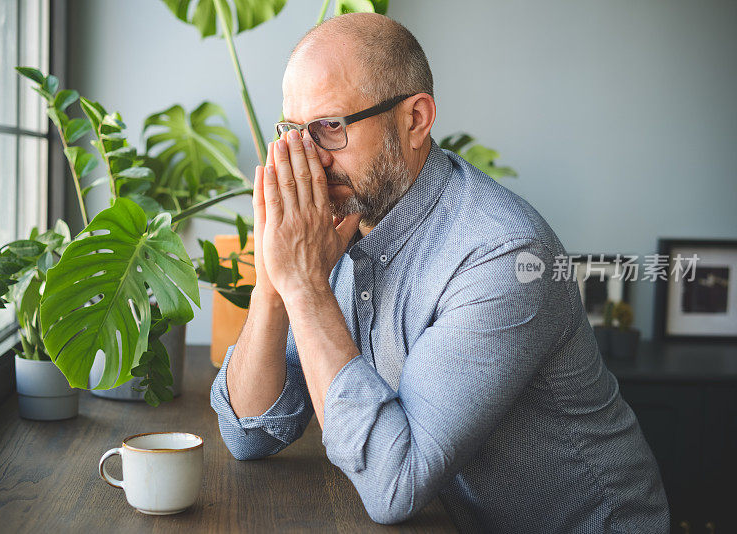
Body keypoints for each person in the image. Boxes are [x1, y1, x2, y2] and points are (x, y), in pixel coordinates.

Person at [210, 12, 670, 533]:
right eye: (294, 132)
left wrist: (306, 287)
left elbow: (393, 486)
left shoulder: (502, 256)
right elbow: (250, 434)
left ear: (415, 119)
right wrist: (275, 284)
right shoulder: (339, 228)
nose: (309, 161)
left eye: (330, 128)